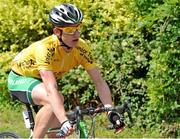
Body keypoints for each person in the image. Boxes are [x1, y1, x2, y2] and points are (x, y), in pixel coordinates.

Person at [7, 3, 125, 138]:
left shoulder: (82, 48)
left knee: (58, 135)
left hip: (42, 84)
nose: (77, 34)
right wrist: (64, 121)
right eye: (70, 29)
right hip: (20, 79)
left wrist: (110, 110)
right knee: (55, 100)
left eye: (78, 27)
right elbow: (51, 89)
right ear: (57, 31)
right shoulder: (45, 49)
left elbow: (99, 81)